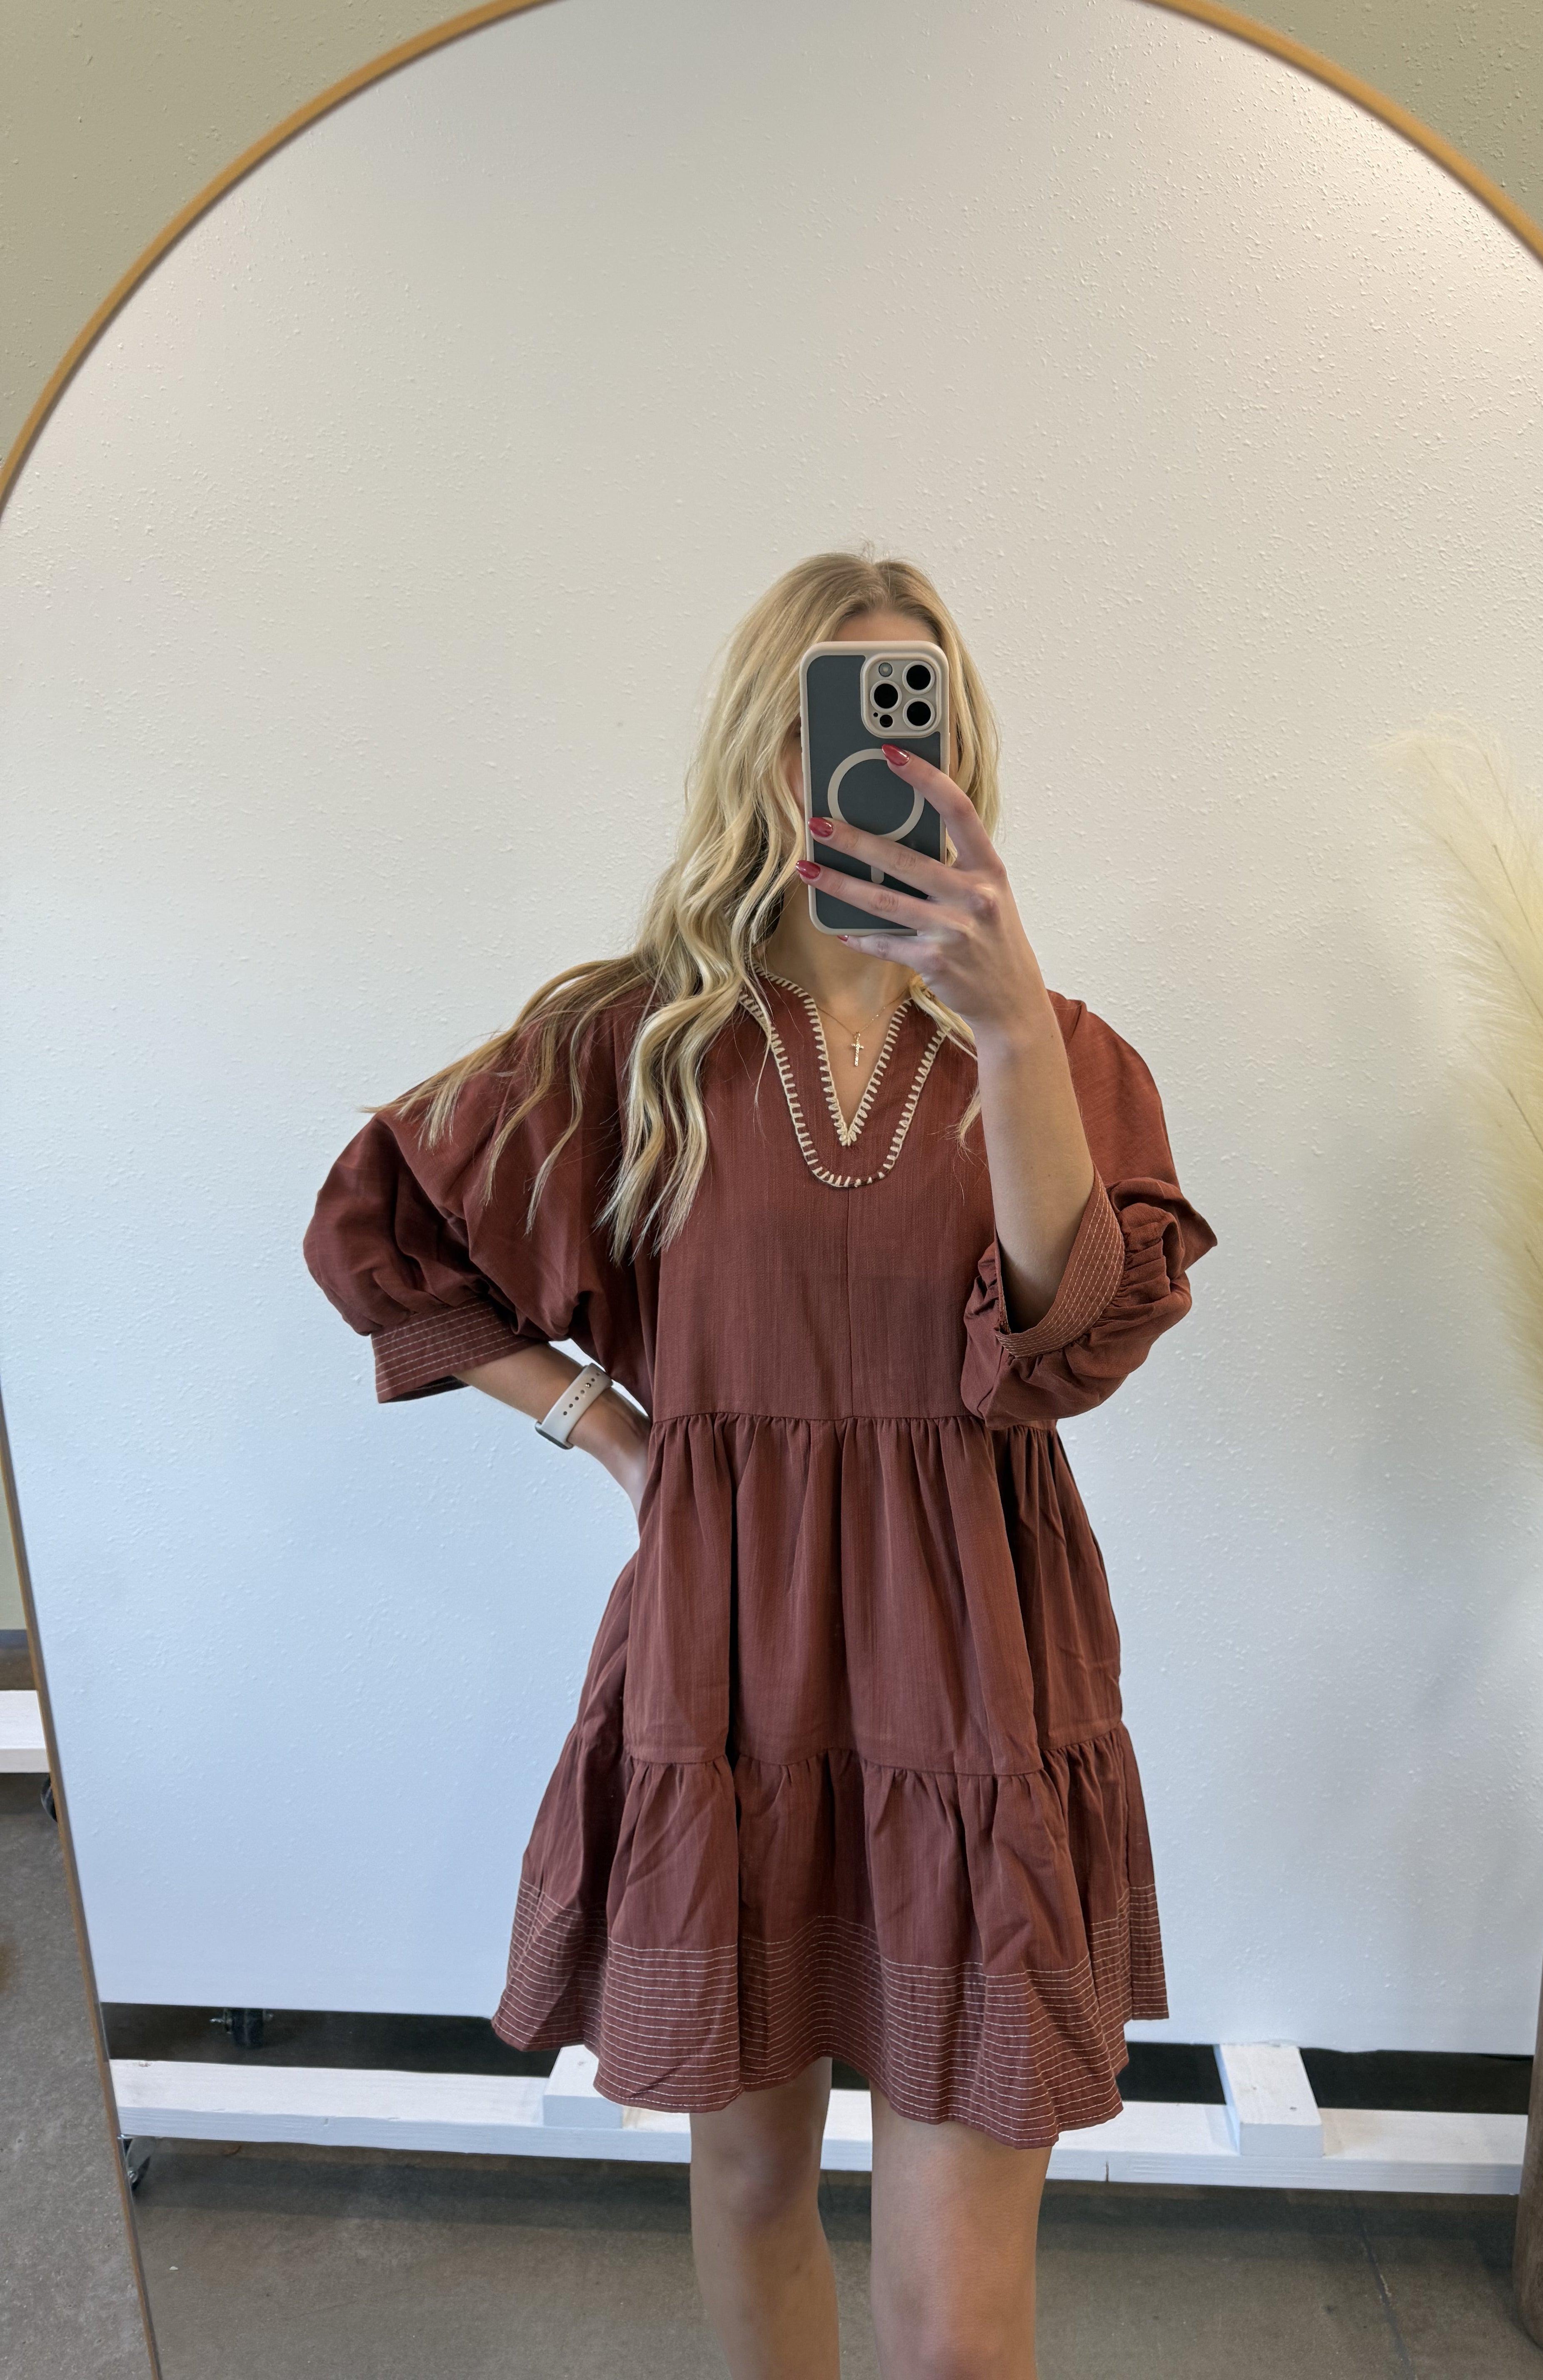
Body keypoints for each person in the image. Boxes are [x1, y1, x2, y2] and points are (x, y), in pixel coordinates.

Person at [302, 550, 1215, 2380]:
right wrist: (606, 1427)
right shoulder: (633, 1042)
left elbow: (1070, 1344)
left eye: (914, 711)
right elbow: (382, 1231)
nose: (877, 754)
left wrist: (1006, 1018)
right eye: (837, 712)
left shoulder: (1057, 1047)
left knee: (961, 2325)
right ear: (761, 740)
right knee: (746, 2187)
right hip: (727, 1670)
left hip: (978, 1672)